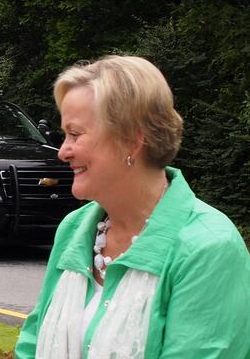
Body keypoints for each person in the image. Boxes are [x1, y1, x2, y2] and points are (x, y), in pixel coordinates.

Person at [15, 56, 250, 358]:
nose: (63, 152)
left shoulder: (208, 248)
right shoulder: (74, 229)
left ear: (131, 140)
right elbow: (32, 345)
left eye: (75, 134)